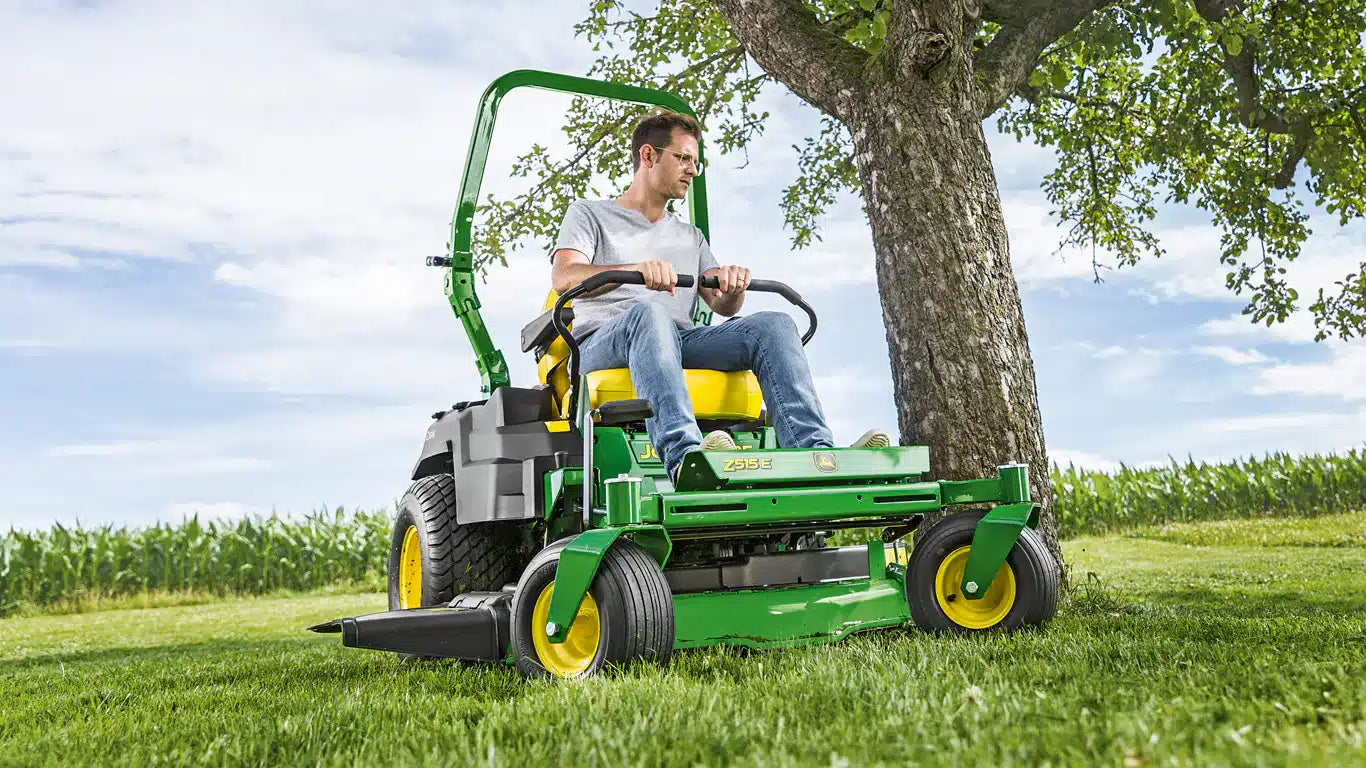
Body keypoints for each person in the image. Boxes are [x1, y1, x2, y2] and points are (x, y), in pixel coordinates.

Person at [549, 108, 889, 483]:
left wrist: (731, 285)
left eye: (695, 162)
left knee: (774, 324)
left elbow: (722, 306)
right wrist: (633, 272)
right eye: (682, 158)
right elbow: (565, 276)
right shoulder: (590, 215)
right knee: (649, 314)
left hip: (678, 340)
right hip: (605, 342)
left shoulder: (690, 237)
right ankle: (686, 459)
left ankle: (814, 454)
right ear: (648, 156)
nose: (692, 170)